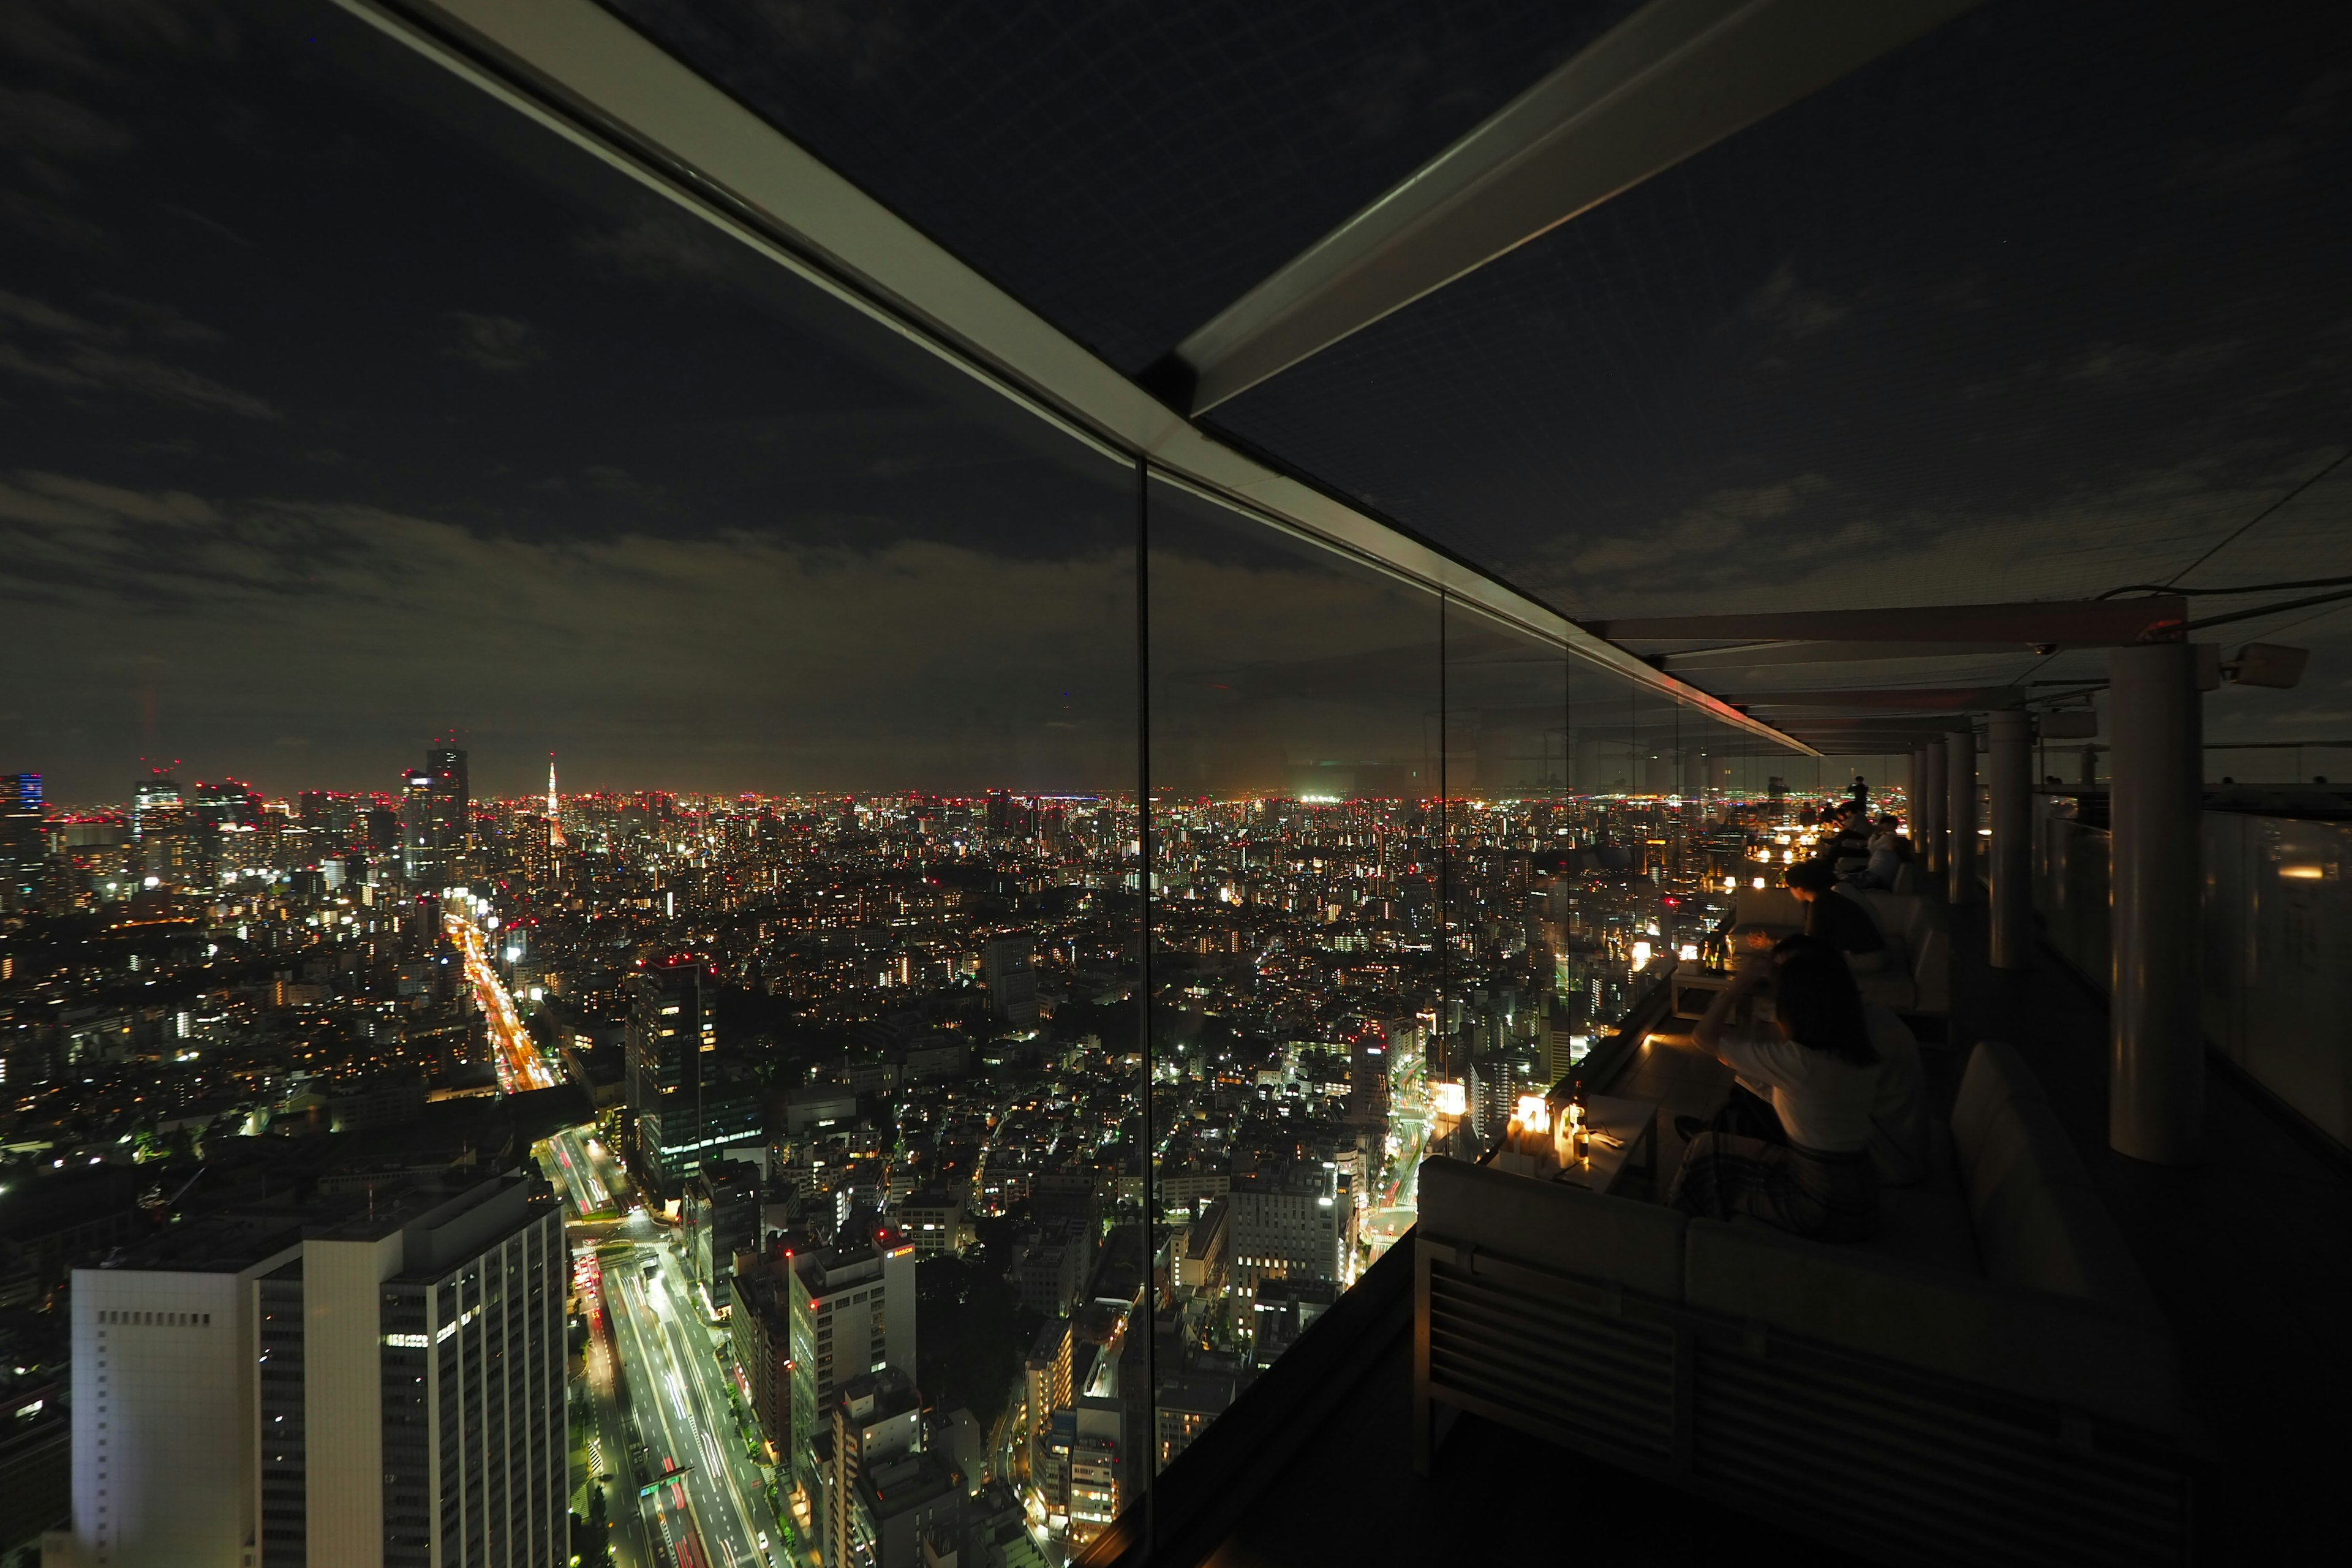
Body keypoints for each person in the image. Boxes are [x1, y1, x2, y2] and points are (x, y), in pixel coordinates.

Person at [1668, 950, 1883, 1240]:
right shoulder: (1859, 1052)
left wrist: (1741, 983)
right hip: (1863, 1188)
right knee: (1747, 1107)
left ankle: (1673, 1238)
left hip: (1822, 1204)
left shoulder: (1800, 1063)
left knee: (1704, 1151)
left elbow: (1703, 1037)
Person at [1784, 860, 1887, 968]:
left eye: (1790, 888)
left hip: (1865, 958)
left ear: (1800, 889)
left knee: (1797, 963)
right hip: (1871, 953)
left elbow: (1812, 944)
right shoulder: (1828, 896)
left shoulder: (1821, 904)